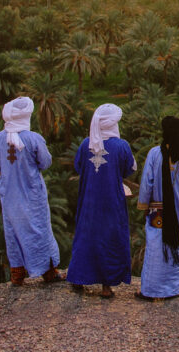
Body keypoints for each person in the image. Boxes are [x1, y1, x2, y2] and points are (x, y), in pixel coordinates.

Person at [0, 96, 62, 286]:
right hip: (32, 196)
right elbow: (45, 162)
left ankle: (17, 274)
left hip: (9, 196)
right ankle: (48, 272)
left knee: (12, 231)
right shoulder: (33, 139)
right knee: (38, 229)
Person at [67, 103, 136, 298]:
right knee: (110, 237)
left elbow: (79, 166)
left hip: (89, 199)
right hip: (112, 200)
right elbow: (129, 169)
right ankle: (107, 287)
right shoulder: (121, 146)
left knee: (86, 236)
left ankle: (79, 279)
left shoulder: (86, 144)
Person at [136, 116, 179, 301]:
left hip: (158, 213)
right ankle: (175, 288)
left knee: (156, 250)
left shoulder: (154, 154)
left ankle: (150, 290)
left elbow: (147, 183)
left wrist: (143, 204)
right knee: (178, 248)